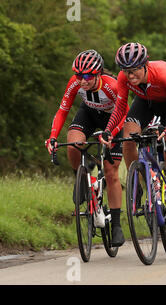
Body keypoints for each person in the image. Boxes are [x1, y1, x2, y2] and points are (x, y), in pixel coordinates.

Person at [101, 42, 166, 240]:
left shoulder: (162, 74)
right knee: (128, 139)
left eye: (134, 71)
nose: (130, 76)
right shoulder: (125, 78)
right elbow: (120, 107)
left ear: (145, 65)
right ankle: (137, 182)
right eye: (126, 71)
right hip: (145, 103)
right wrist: (108, 131)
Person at [45, 49, 126, 247]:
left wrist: (111, 133)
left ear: (98, 73)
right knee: (73, 143)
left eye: (88, 76)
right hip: (89, 114)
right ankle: (81, 179)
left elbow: (124, 113)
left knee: (111, 172)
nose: (82, 80)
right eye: (79, 75)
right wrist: (53, 137)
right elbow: (62, 110)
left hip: (113, 119)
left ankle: (116, 225)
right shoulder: (75, 83)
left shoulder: (111, 86)